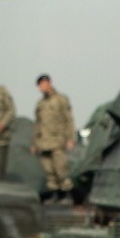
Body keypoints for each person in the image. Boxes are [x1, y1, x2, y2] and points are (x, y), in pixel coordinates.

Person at [31, 74, 76, 203]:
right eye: (40, 85)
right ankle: (54, 194)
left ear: (49, 83)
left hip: (57, 140)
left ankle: (66, 194)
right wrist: (34, 142)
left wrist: (70, 138)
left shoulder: (61, 99)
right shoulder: (40, 104)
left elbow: (69, 119)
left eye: (43, 84)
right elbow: (37, 124)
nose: (42, 87)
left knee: (61, 169)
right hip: (43, 142)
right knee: (48, 171)